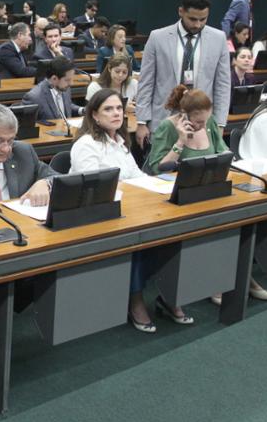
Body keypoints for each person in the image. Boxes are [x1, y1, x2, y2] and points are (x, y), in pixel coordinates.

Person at [70, 89, 194, 331]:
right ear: (94, 115)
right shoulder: (86, 145)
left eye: (118, 108)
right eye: (108, 109)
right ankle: (135, 299)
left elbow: (137, 177)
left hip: (128, 208)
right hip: (97, 215)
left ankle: (169, 294)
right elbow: (95, 189)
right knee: (139, 235)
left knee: (175, 227)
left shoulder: (119, 141)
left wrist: (157, 187)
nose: (116, 113)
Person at [135, 0, 231, 149]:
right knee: (161, 169)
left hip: (202, 122)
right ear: (181, 11)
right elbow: (146, 82)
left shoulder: (219, 38)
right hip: (164, 118)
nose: (198, 24)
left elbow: (223, 85)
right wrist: (141, 121)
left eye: (203, 19)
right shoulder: (157, 37)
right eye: (192, 19)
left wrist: (220, 124)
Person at [145, 85, 228, 175]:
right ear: (185, 114)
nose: (204, 126)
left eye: (206, 120)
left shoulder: (210, 122)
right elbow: (159, 170)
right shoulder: (167, 127)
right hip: (175, 184)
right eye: (199, 122)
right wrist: (180, 142)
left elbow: (224, 153)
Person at [23, 56, 81, 121]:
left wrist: (81, 110)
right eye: (67, 80)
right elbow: (28, 127)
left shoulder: (65, 88)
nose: (71, 83)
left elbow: (67, 106)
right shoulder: (34, 97)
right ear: (54, 79)